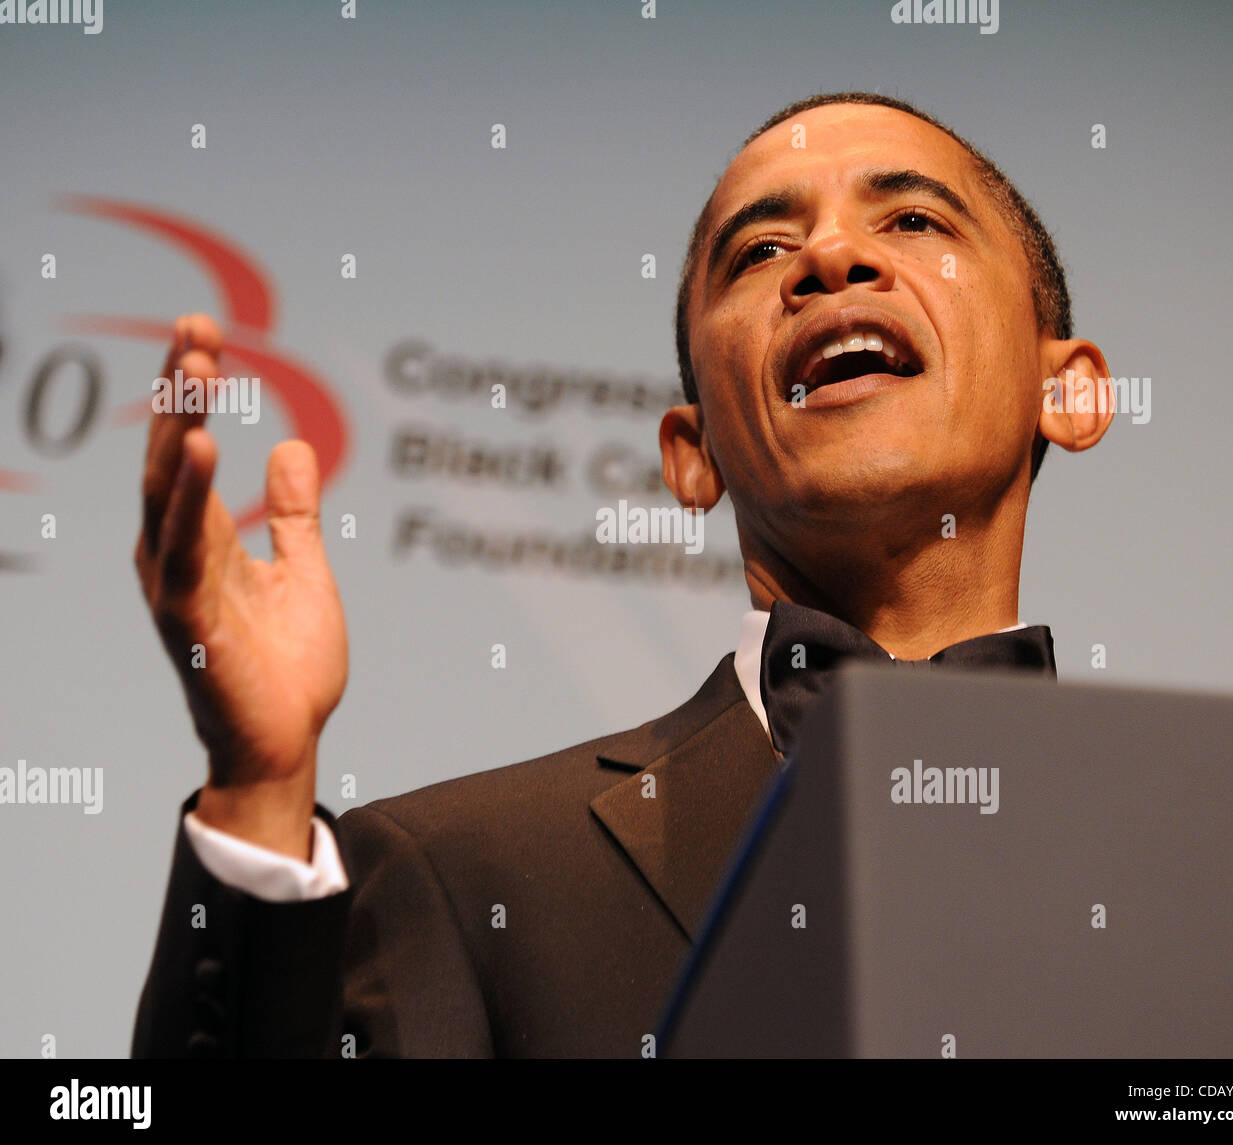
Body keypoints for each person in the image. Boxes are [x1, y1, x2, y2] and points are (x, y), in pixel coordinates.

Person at [131, 91, 1113, 1058]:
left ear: (1066, 390)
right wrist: (259, 795)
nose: (829, 260)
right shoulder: (470, 872)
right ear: (691, 455)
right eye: (759, 253)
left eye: (911, 220)